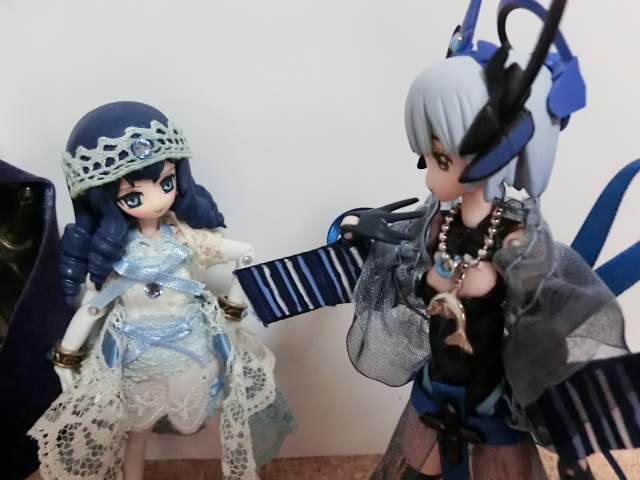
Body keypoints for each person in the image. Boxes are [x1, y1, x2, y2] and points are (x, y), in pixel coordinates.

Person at [29, 101, 295, 480]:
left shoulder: (185, 238)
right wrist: (67, 355)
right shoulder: (115, 252)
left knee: (220, 415)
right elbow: (94, 305)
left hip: (194, 351)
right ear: (104, 199)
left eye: (166, 183)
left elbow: (246, 254)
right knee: (135, 435)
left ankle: (240, 470)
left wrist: (233, 314)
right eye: (133, 196)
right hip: (137, 361)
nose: (156, 200)